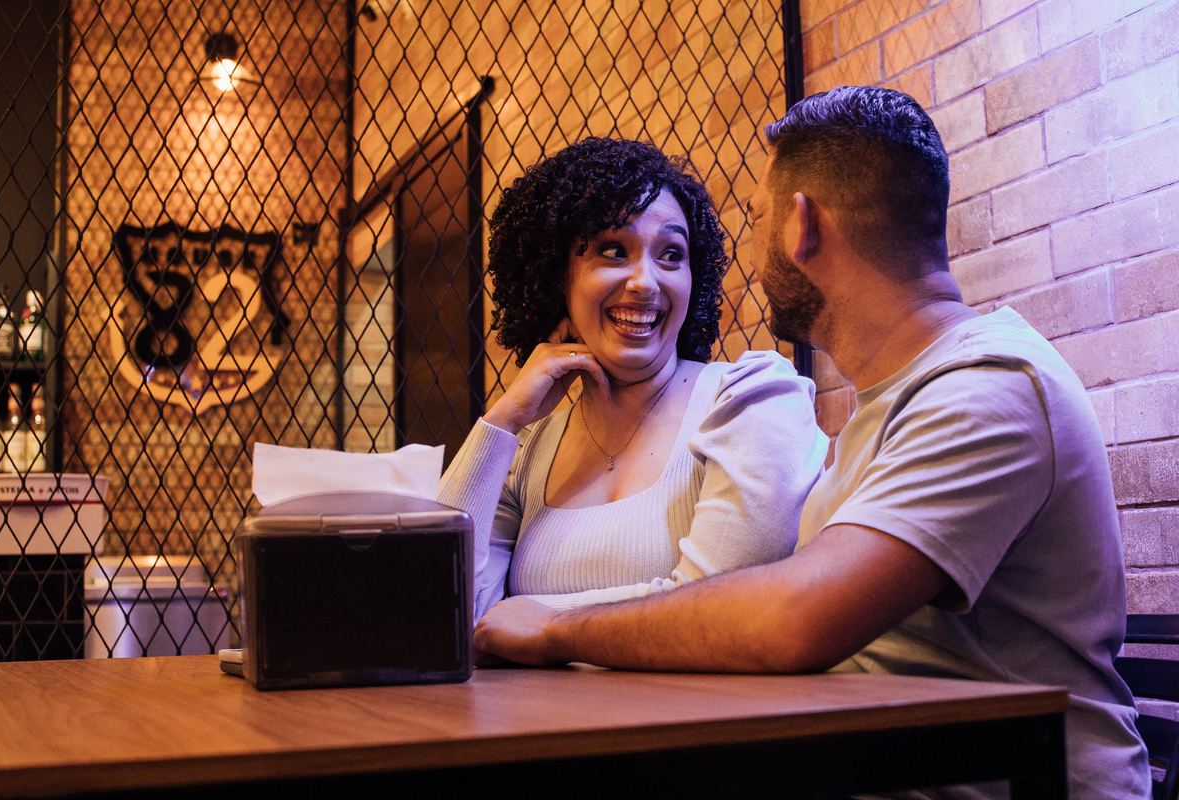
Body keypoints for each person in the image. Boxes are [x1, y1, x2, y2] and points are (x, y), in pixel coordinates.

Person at [472, 90, 1151, 798]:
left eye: (758, 218)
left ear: (800, 225)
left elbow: (795, 619)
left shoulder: (989, 386)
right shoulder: (890, 403)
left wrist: (556, 630)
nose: (745, 250)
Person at [439, 137, 827, 625]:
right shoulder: (527, 453)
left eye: (670, 255)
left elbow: (715, 607)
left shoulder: (752, 400)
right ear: (557, 276)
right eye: (613, 251)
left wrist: (522, 618)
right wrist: (503, 419)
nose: (645, 281)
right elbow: (443, 612)